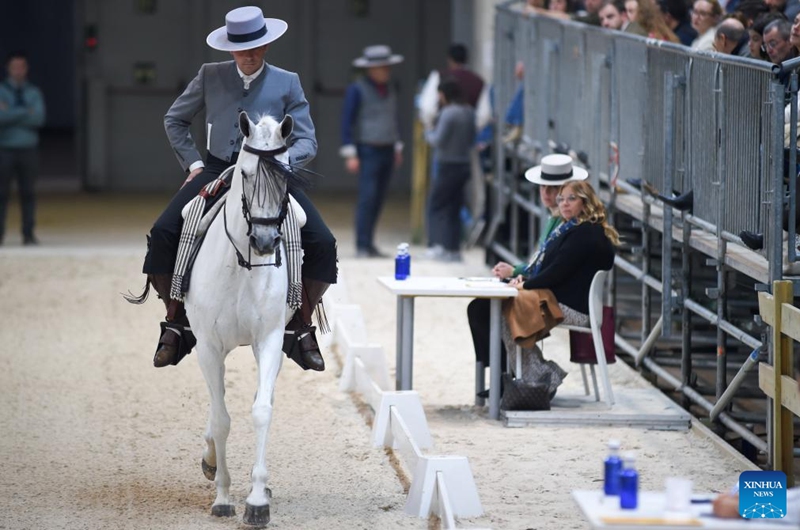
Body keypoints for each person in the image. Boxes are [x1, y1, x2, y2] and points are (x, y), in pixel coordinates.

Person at [144, 6, 337, 372]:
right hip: (217, 167)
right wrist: (194, 163)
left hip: (271, 172)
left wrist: (281, 167)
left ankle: (300, 325)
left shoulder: (287, 81)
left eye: (256, 48)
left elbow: (308, 141)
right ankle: (176, 320)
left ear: (265, 47)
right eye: (241, 49)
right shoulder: (210, 75)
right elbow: (175, 118)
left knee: (323, 242)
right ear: (230, 48)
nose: (248, 56)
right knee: (164, 231)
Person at [468, 155, 610, 397]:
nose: (558, 200)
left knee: (504, 310)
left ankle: (536, 378)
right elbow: (548, 265)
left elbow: (554, 269)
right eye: (559, 196)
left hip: (569, 303)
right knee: (487, 308)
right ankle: (519, 376)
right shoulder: (570, 227)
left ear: (584, 201)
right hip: (561, 296)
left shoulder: (579, 231)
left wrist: (523, 280)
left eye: (566, 196)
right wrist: (523, 279)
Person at [340, 45, 404, 259]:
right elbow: (347, 121)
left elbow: (394, 117)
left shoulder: (391, 88)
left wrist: (397, 146)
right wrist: (350, 153)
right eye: (382, 68)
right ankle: (362, 244)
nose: (386, 71)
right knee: (367, 197)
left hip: (387, 147)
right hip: (368, 148)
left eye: (387, 67)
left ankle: (370, 242)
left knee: (379, 197)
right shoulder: (357, 89)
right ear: (371, 69)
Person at [423, 79, 476, 262]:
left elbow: (438, 140)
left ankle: (437, 245)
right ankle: (453, 248)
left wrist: (428, 132)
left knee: (436, 206)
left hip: (447, 164)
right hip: (463, 164)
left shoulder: (448, 113)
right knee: (454, 207)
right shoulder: (469, 111)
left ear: (444, 95)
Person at [0, 51, 45, 246]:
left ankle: (28, 234)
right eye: (14, 67)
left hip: (28, 149)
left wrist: (10, 112)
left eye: (21, 66)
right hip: (4, 148)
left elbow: (39, 118)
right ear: (8, 68)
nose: (18, 70)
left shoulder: (34, 92)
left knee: (28, 193)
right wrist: (26, 111)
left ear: (26, 69)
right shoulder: (1, 90)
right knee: (1, 193)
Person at [443, 44, 484, 109]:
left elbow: (427, 109)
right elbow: (484, 114)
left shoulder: (441, 76)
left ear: (449, 59)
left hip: (444, 117)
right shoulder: (478, 81)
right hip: (470, 117)